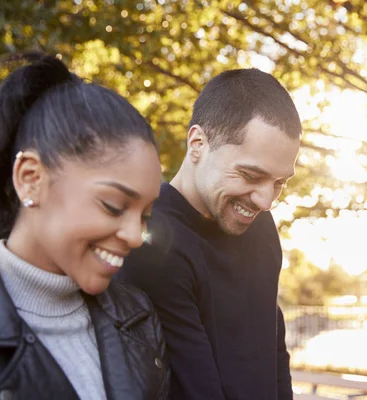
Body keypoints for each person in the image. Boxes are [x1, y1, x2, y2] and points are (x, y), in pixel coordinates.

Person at [0, 53, 169, 399]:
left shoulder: (138, 320)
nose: (135, 236)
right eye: (113, 206)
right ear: (30, 178)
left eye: (145, 216)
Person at [118, 68, 302, 399]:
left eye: (279, 183)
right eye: (250, 175)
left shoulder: (260, 228)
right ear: (198, 143)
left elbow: (274, 352)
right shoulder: (151, 243)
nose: (266, 201)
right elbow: (194, 389)